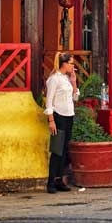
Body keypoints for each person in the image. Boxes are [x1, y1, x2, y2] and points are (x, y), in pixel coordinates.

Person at [45, 52, 79, 194]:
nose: (73, 66)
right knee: (57, 150)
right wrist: (51, 120)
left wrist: (74, 82)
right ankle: (51, 182)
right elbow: (49, 100)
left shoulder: (66, 79)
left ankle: (60, 180)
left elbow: (75, 97)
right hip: (58, 116)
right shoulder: (54, 79)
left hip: (69, 115)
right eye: (71, 63)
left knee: (64, 150)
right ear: (64, 64)